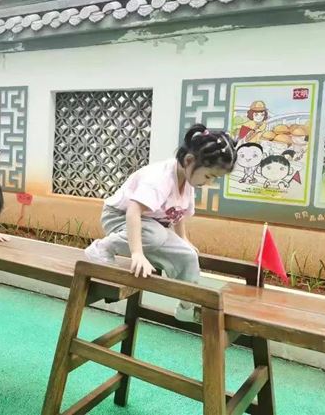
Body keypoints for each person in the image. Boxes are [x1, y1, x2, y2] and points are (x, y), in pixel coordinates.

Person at [85, 124, 236, 322]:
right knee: (155, 235)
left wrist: (183, 239)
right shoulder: (159, 178)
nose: (209, 183)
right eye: (208, 176)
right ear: (189, 160)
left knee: (188, 256)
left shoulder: (188, 181)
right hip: (119, 217)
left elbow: (178, 213)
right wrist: (137, 253)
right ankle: (102, 248)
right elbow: (133, 211)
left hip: (151, 227)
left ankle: (186, 307)